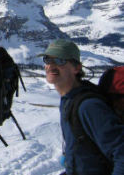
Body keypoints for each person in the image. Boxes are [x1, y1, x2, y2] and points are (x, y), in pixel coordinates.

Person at [40, 39, 124, 175]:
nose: (51, 66)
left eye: (60, 60)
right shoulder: (68, 100)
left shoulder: (89, 106)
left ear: (77, 68)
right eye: (48, 60)